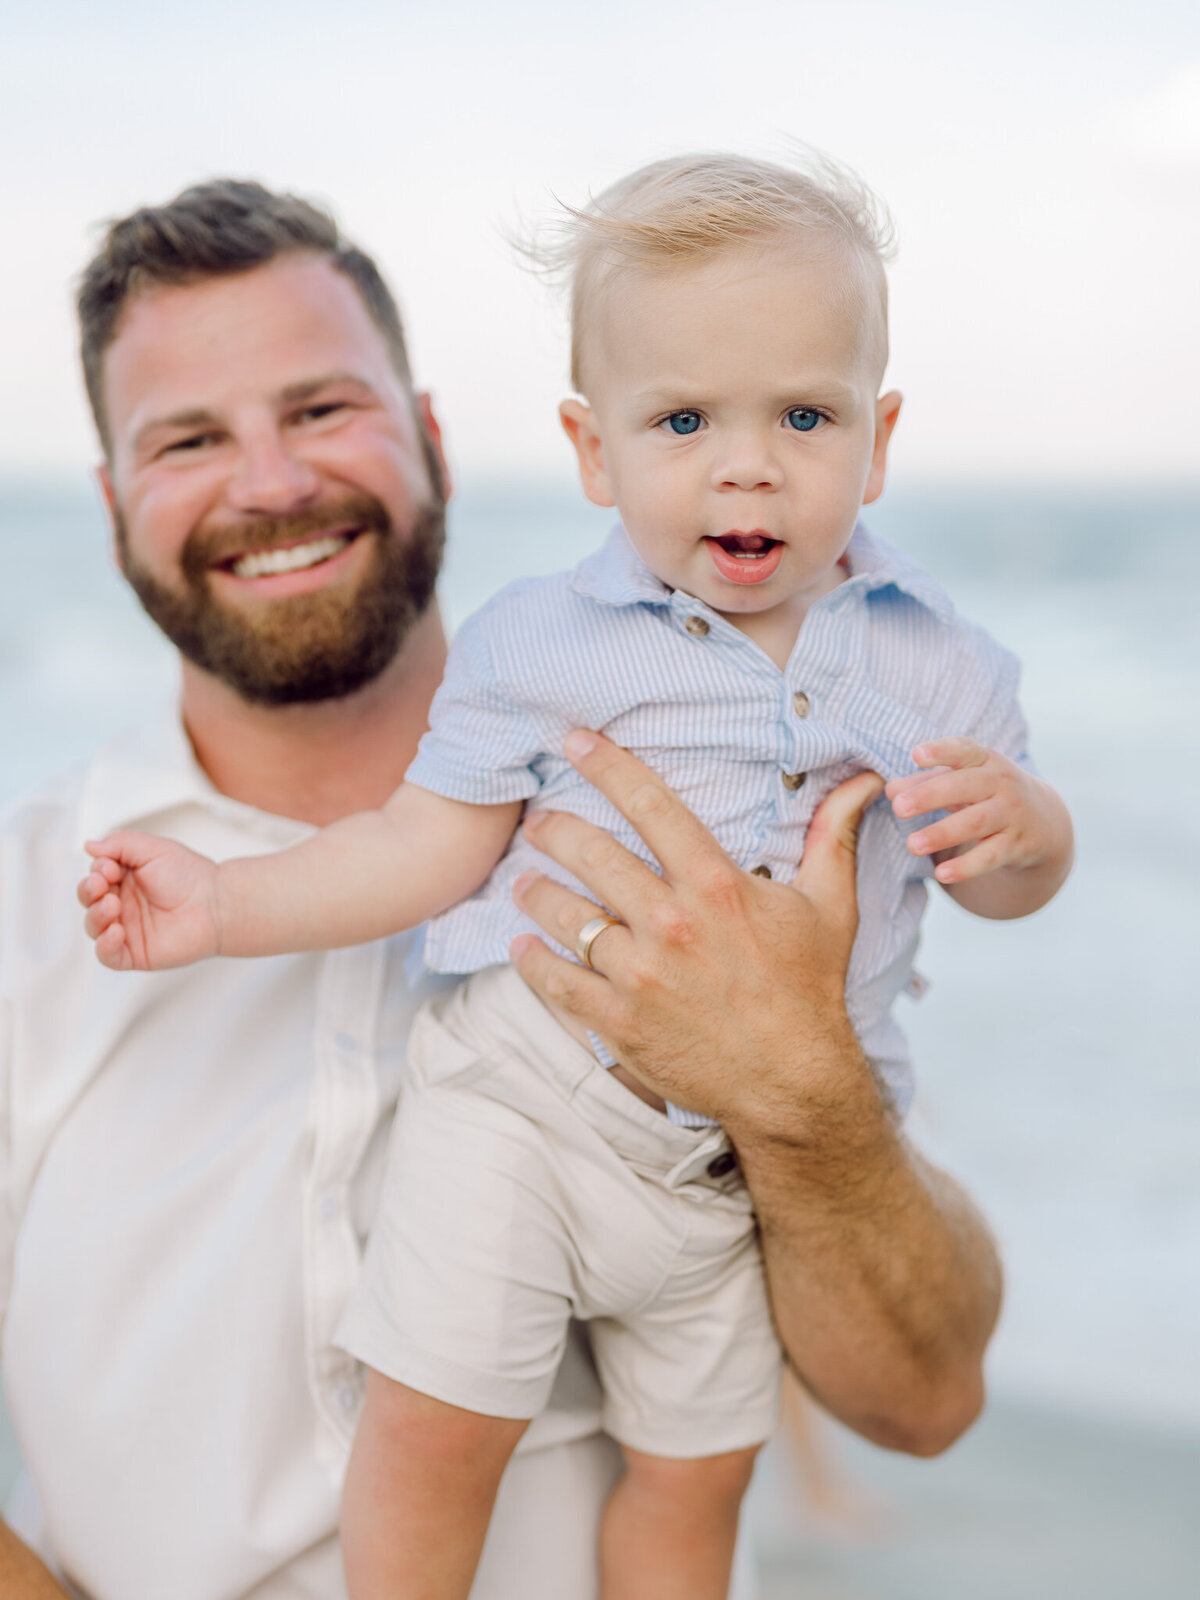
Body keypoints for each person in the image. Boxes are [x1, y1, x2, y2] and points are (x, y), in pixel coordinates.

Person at [78, 157, 1071, 1599]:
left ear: (880, 434)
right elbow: (428, 847)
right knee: (433, 1430)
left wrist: (1026, 830)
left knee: (697, 1484)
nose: (748, 464)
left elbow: (1002, 886)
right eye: (683, 420)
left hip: (736, 1169)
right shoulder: (546, 643)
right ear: (594, 452)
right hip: (530, 1107)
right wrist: (225, 905)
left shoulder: (942, 663)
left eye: (805, 415)